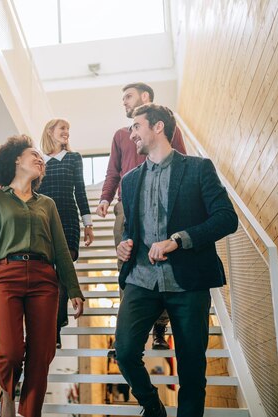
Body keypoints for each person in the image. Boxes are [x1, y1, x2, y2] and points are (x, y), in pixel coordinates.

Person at [114, 104, 237, 417]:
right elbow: (131, 230)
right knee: (126, 352)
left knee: (192, 369)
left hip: (189, 280)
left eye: (136, 127)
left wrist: (178, 240)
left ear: (157, 128)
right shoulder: (128, 181)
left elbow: (226, 219)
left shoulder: (198, 168)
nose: (131, 134)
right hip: (141, 278)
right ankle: (153, 407)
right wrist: (124, 246)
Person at [0, 135, 85, 417]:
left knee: (42, 354)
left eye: (41, 158)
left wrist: (74, 288)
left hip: (45, 280)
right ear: (16, 160)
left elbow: (60, 248)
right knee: (10, 352)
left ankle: (30, 412)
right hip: (5, 277)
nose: (40, 159)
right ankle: (8, 396)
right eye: (34, 154)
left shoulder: (47, 204)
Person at [96, 82, 187, 350]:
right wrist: (105, 197)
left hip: (164, 206)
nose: (124, 101)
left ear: (144, 97)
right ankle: (124, 332)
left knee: (163, 264)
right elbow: (113, 171)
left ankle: (160, 330)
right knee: (126, 266)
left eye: (128, 96)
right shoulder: (120, 136)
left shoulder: (169, 129)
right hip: (127, 207)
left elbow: (181, 161)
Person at [37, 118, 94, 349]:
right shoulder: (38, 160)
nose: (67, 133)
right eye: (63, 129)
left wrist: (88, 223)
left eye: (68, 129)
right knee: (48, 276)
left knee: (61, 275)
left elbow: (80, 190)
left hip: (69, 220)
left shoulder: (73, 158)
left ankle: (55, 329)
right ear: (50, 131)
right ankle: (51, 325)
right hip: (44, 222)